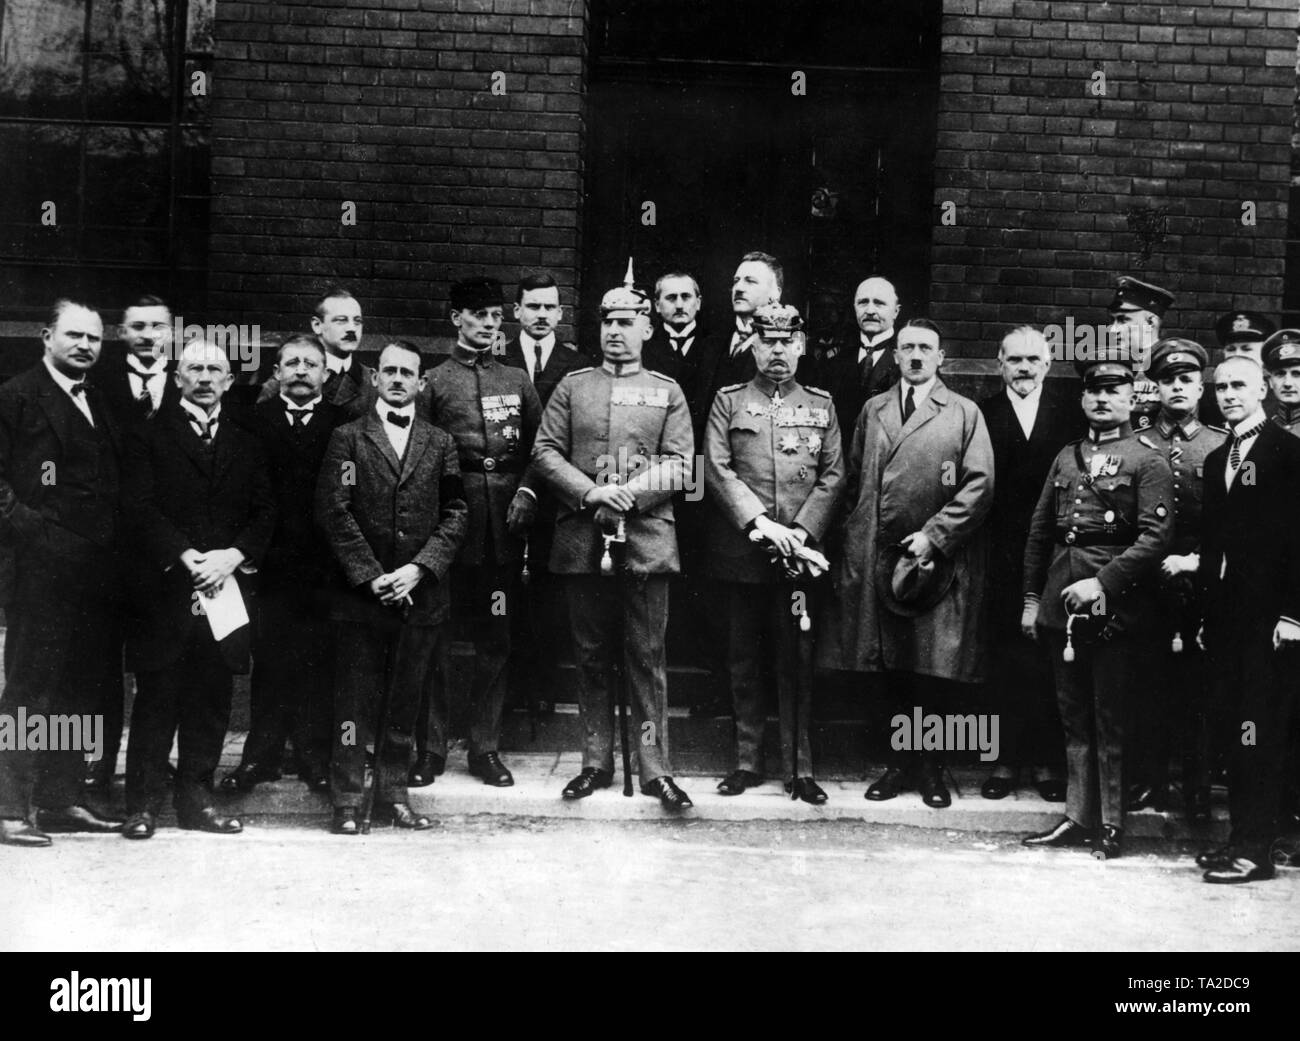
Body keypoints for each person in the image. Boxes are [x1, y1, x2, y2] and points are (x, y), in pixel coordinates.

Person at [532, 262, 695, 810]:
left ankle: (655, 769)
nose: (615, 331)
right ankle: (595, 762)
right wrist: (591, 493)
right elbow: (545, 452)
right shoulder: (573, 386)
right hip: (583, 538)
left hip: (647, 539)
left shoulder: (667, 391)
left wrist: (630, 493)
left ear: (647, 328)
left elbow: (681, 463)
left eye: (626, 322)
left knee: (647, 656)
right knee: (591, 654)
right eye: (607, 322)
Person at [819, 317, 995, 809]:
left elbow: (980, 485)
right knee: (889, 666)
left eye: (926, 348)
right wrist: (854, 543)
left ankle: (931, 768)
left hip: (936, 562)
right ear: (895, 356)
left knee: (930, 667)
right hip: (880, 557)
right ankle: (897, 765)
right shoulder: (873, 409)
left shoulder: (964, 412)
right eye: (908, 348)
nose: (916, 356)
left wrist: (935, 537)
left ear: (941, 358)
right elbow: (853, 479)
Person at [1020, 348, 1174, 860]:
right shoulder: (1067, 457)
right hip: (1060, 602)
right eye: (1094, 391)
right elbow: (1040, 532)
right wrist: (1031, 600)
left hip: (1114, 606)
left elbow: (1155, 538)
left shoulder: (1147, 459)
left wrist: (1102, 584)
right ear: (1082, 398)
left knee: (1110, 716)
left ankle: (1111, 823)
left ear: (1132, 398)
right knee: (1073, 717)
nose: (1102, 399)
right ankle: (1076, 816)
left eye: (1113, 391)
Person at [120, 339, 277, 840]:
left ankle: (197, 800)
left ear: (229, 381)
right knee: (157, 698)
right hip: (167, 589)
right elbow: (139, 506)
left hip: (226, 589)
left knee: (210, 698)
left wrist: (233, 555)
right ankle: (142, 805)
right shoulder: (149, 436)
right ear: (178, 378)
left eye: (215, 370)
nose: (205, 377)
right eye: (195, 369)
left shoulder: (247, 442)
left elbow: (265, 511)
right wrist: (187, 556)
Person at [315, 341, 468, 834]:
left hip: (419, 596)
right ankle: (346, 800)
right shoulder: (347, 440)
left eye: (408, 372)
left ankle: (393, 795)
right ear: (376, 378)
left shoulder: (441, 443)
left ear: (421, 383)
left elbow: (456, 512)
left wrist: (419, 569)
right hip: (360, 596)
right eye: (389, 371)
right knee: (351, 702)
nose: (398, 379)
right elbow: (335, 509)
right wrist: (371, 574)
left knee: (404, 700)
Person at [704, 303, 843, 803]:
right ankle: (746, 762)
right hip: (744, 553)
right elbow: (716, 468)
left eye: (787, 341)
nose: (778, 350)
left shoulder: (822, 405)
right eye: (768, 341)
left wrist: (801, 533)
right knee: (743, 659)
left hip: (800, 558)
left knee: (797, 660)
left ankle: (799, 768)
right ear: (754, 345)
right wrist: (761, 524)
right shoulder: (729, 401)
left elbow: (834, 475)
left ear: (801, 345)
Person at [0, 300, 126, 847]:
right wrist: (43, 538)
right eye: (74, 335)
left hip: (93, 574)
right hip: (39, 572)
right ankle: (9, 808)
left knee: (79, 687)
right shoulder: (15, 397)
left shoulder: (96, 399)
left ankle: (60, 798)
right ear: (46, 336)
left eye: (94, 338)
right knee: (30, 689)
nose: (85, 346)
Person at [415, 278, 542, 788]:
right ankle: (431, 747)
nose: (490, 324)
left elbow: (542, 447)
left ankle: (485, 747)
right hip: (451, 531)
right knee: (439, 636)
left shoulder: (516, 380)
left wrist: (526, 492)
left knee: (495, 632)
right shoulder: (434, 381)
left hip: (503, 534)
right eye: (479, 314)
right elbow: (419, 453)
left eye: (496, 315)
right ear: (456, 318)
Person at [221, 334, 348, 795]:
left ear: (325, 374)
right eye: (291, 363)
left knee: (318, 659)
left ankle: (315, 758)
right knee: (270, 658)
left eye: (310, 364)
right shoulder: (252, 422)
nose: (300, 371)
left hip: (323, 565)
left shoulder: (343, 424)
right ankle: (261, 756)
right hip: (267, 564)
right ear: (276, 372)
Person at [1194, 356, 1300, 883]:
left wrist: (1293, 615)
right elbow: (1214, 543)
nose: (1229, 394)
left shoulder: (1289, 453)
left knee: (1260, 732)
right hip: (1228, 621)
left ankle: (1256, 851)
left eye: (1240, 385)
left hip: (1271, 624)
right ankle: (1240, 840)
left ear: (1264, 389)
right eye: (1221, 387)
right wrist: (1205, 614)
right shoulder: (1219, 458)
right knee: (1238, 731)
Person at [978, 326, 1081, 802]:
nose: (1024, 368)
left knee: (1047, 655)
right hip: (997, 552)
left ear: (1048, 364)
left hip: (1054, 551)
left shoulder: (1068, 415)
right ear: (999, 364)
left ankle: (1045, 760)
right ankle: (1004, 760)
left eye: (1033, 359)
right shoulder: (981, 414)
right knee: (1002, 654)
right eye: (1014, 359)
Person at [1124, 339, 1225, 822]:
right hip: (1146, 583)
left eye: (1187, 380)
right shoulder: (1137, 442)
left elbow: (1232, 521)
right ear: (1156, 388)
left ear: (1201, 387)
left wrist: (1197, 560)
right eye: (1168, 381)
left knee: (1199, 688)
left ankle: (1197, 787)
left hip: (1200, 584)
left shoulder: (1220, 444)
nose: (1178, 388)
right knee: (1147, 683)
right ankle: (1151, 781)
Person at [85, 293, 182, 793]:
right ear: (121, 333)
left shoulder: (189, 381)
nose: (148, 335)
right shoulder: (96, 383)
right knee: (102, 662)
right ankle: (97, 765)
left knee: (159, 664)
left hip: (165, 553)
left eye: (157, 326)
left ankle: (152, 760)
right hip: (108, 548)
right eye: (138, 326)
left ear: (171, 333)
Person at [500, 272, 586, 715]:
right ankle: (511, 686)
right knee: (506, 589)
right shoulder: (499, 359)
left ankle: (545, 686)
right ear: (517, 311)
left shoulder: (577, 364)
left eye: (549, 307)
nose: (541, 314)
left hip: (557, 494)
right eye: (532, 306)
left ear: (560, 313)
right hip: (506, 490)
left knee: (551, 589)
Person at [259, 287, 377, 418]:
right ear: (317, 325)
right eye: (341, 320)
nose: (352, 328)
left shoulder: (372, 382)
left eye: (357, 321)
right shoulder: (287, 377)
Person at [816, 276, 903, 438]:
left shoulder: (907, 361)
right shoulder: (834, 361)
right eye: (863, 302)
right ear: (855, 307)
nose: (870, 311)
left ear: (896, 311)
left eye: (879, 303)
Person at [1105, 276, 1174, 432]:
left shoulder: (1170, 367)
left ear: (1150, 323)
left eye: (1123, 320)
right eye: (1112, 320)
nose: (1113, 330)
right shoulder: (1112, 364)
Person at [1201, 311, 1275, 427]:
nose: (1237, 355)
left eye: (1246, 349)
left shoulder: (1279, 396)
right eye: (1231, 349)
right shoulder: (1207, 398)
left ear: (1264, 354)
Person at [1264, 328, 1300, 438]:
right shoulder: (1261, 429)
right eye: (1280, 374)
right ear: (1270, 381)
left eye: (1296, 374)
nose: (1287, 383)